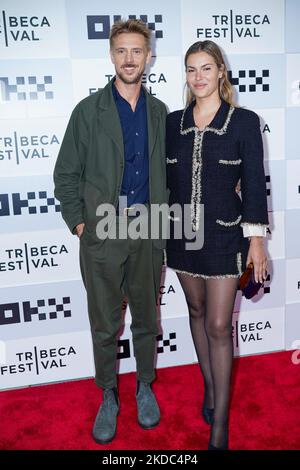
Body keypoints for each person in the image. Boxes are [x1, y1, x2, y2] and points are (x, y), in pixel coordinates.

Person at [53, 19, 168, 444]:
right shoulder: (87, 112)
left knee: (146, 317)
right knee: (105, 322)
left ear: (149, 56)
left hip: (148, 228)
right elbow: (65, 175)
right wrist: (80, 223)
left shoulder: (159, 113)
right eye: (121, 51)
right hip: (101, 231)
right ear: (111, 55)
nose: (129, 59)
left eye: (137, 51)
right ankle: (108, 394)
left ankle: (143, 386)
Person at [165, 40, 269, 450]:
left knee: (219, 325)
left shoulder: (244, 121)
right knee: (195, 310)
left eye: (206, 68)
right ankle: (209, 389)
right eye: (191, 69)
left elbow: (256, 186)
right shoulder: (172, 123)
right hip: (182, 237)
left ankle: (220, 424)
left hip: (227, 236)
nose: (199, 77)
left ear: (221, 71)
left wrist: (256, 240)